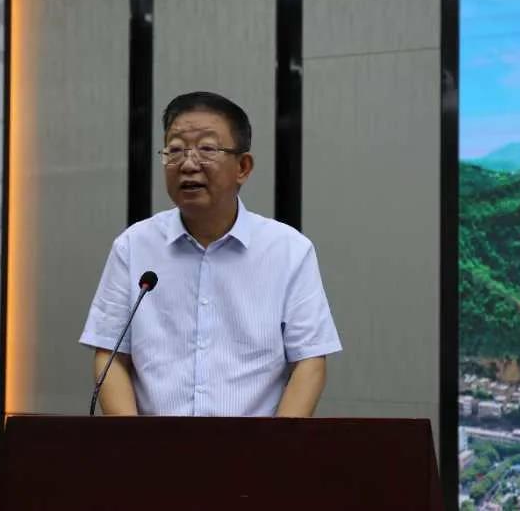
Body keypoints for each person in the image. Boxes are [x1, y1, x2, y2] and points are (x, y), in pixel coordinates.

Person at [79, 91, 341, 416]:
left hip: (255, 446)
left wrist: (278, 443)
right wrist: (134, 441)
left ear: (243, 167)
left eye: (207, 149)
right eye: (175, 150)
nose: (188, 164)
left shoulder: (289, 251)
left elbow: (310, 361)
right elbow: (111, 355)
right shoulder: (133, 247)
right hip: (154, 445)